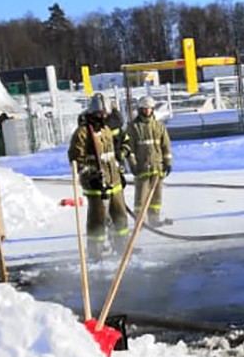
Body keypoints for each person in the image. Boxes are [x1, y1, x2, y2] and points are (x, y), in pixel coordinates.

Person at [67, 102, 129, 259]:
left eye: (105, 113)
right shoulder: (82, 133)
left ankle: (121, 247)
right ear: (93, 113)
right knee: (98, 219)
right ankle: (95, 252)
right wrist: (89, 175)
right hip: (94, 182)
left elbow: (111, 154)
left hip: (113, 180)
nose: (104, 117)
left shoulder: (106, 130)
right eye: (101, 114)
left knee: (120, 216)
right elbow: (76, 159)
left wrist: (118, 172)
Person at [128, 94, 173, 226]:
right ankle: (139, 222)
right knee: (141, 197)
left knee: (156, 197)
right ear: (140, 109)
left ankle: (154, 219)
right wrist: (133, 165)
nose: (147, 111)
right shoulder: (134, 127)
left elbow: (166, 146)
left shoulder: (159, 126)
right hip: (142, 167)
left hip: (157, 167)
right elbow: (129, 149)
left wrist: (168, 163)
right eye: (144, 108)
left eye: (149, 108)